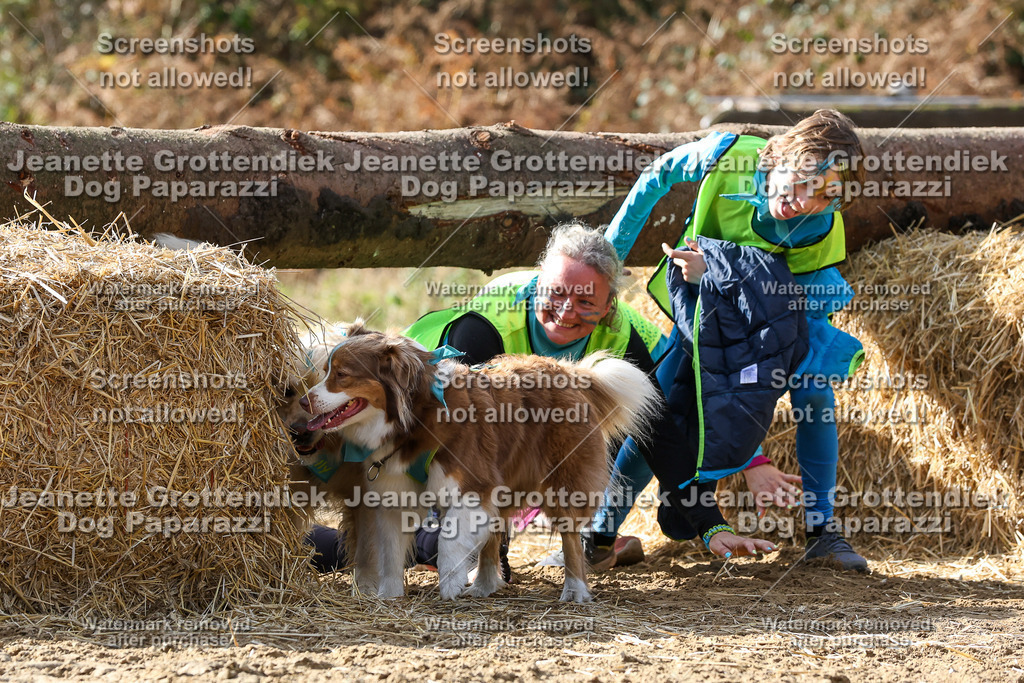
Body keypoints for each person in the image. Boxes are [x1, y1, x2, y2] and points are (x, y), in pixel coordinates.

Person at [304, 222, 782, 576]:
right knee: (414, 536)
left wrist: (710, 524)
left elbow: (661, 436)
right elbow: (455, 445)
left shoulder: (626, 333)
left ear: (611, 306)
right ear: (538, 283)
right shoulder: (484, 327)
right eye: (555, 294)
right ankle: (319, 545)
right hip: (414, 431)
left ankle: (595, 536)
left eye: (584, 302)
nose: (565, 311)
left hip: (507, 449)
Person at [604, 108, 870, 572]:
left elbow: (786, 307)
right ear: (781, 155)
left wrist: (722, 274)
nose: (803, 201)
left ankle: (823, 532)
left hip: (774, 315)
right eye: (801, 179)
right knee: (662, 401)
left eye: (823, 194)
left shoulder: (821, 226)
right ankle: (600, 533)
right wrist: (607, 264)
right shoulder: (725, 155)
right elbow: (655, 176)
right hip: (699, 308)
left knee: (813, 391)